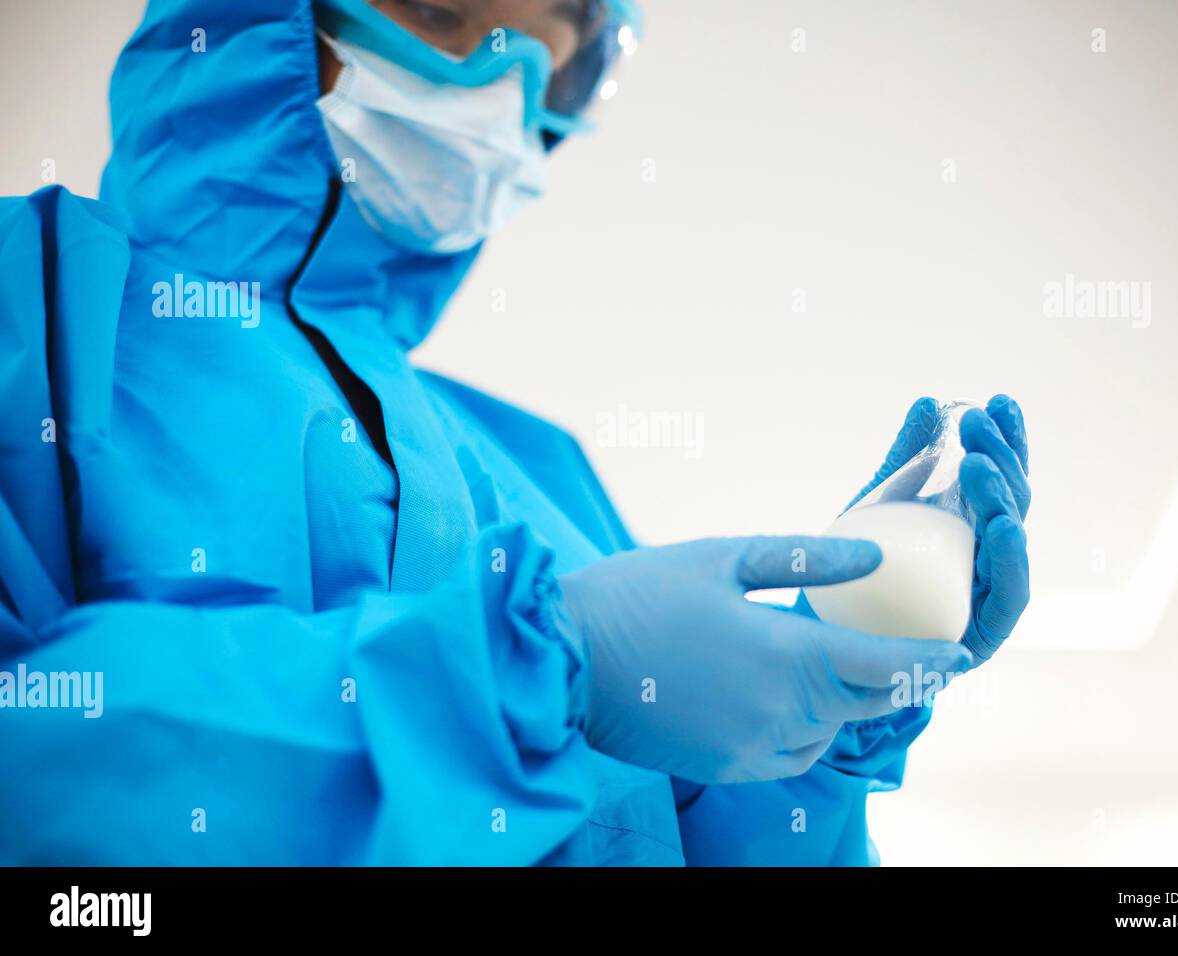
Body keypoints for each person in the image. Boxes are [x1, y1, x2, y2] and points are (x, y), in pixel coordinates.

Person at [0, 0, 1031, 865]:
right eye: (449, 14)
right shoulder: (33, 309)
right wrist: (533, 670)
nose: (498, 106)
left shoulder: (538, 467)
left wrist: (811, 735)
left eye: (546, 71)